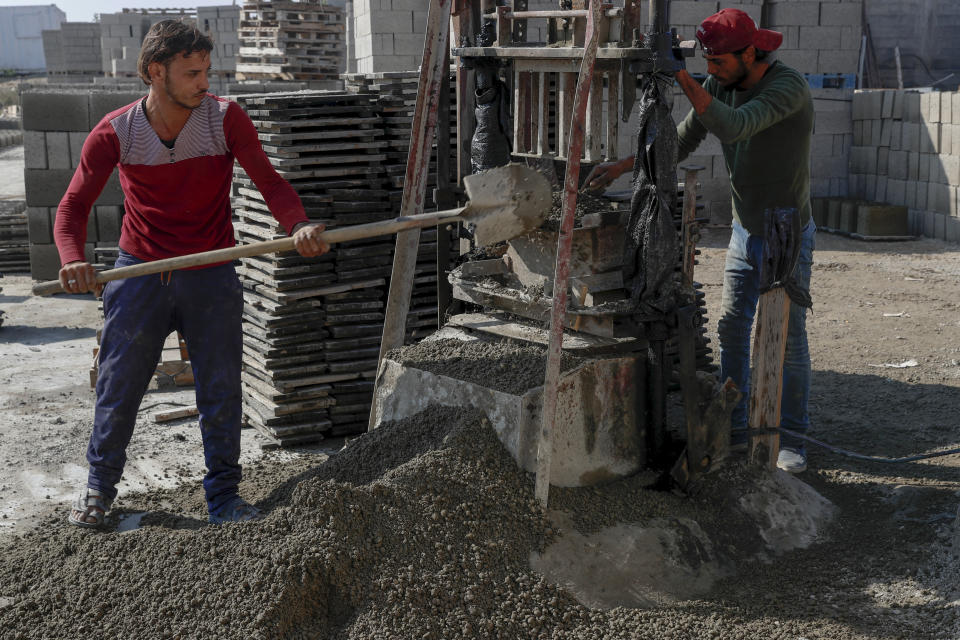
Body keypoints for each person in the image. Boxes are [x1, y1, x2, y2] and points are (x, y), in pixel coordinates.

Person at [54, 20, 330, 527]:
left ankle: (223, 497)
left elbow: (270, 182)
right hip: (140, 273)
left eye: (206, 71)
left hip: (210, 271)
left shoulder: (225, 119)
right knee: (119, 384)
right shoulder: (116, 131)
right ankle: (98, 491)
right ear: (155, 72)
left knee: (220, 388)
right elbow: (72, 207)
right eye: (192, 73)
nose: (205, 82)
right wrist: (72, 257)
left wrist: (299, 225)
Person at [585, 8, 816, 473]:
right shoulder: (722, 83)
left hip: (785, 229)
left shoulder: (787, 87)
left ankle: (791, 437)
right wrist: (623, 165)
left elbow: (735, 126)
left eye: (719, 62)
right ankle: (733, 426)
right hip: (744, 227)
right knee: (732, 326)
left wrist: (682, 77)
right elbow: (684, 139)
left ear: (751, 53)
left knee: (786, 337)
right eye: (705, 63)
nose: (712, 71)